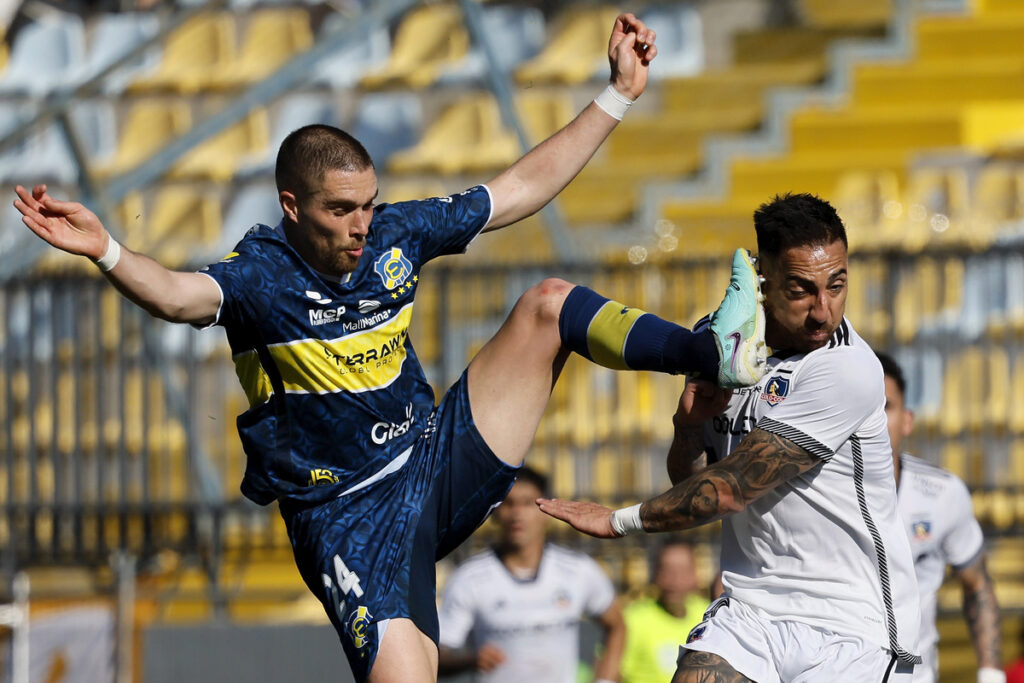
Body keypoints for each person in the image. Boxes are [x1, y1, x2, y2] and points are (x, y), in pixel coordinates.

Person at [12, 13, 769, 683]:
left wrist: (618, 96)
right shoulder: (259, 280)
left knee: (548, 306)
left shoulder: (395, 235)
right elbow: (177, 296)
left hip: (433, 458)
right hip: (345, 516)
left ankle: (710, 351)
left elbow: (518, 189)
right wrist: (107, 249)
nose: (360, 225)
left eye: (368, 204)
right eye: (341, 210)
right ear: (292, 207)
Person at [539, 192, 923, 682]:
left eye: (837, 285)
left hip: (851, 623)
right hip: (752, 609)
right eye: (801, 290)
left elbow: (729, 490)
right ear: (763, 278)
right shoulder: (725, 348)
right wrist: (688, 426)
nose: (823, 311)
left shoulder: (847, 369)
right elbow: (693, 477)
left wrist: (617, 521)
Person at [876, 351, 1005, 683]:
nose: (874, 419)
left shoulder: (942, 494)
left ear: (908, 420)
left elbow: (977, 583)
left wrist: (991, 674)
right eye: (866, 407)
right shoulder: (812, 495)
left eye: (886, 407)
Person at [437, 466, 624, 683]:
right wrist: (470, 660)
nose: (517, 513)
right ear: (495, 512)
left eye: (528, 503)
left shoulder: (578, 570)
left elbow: (617, 625)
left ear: (547, 512)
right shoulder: (470, 578)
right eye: (509, 504)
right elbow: (438, 655)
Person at [620, 539, 709, 683]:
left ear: (695, 574)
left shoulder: (709, 618)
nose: (674, 580)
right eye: (666, 570)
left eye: (682, 571)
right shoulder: (632, 620)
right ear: (655, 573)